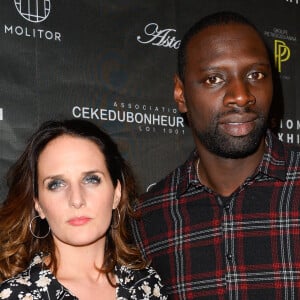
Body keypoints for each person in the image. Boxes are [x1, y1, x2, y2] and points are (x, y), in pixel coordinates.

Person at [131, 11, 300, 299]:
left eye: (255, 75)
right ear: (181, 95)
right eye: (214, 79)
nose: (241, 95)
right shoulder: (146, 220)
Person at [0, 119, 167, 299]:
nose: (77, 199)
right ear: (38, 204)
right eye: (56, 184)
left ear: (116, 194)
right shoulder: (18, 294)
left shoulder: (147, 285)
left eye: (91, 179)